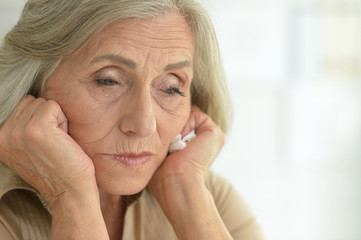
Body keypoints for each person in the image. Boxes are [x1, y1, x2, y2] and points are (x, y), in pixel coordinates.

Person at [0, 0, 264, 239]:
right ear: (34, 84)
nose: (144, 125)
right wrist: (70, 199)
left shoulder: (208, 196)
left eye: (171, 88)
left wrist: (185, 194)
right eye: (108, 81)